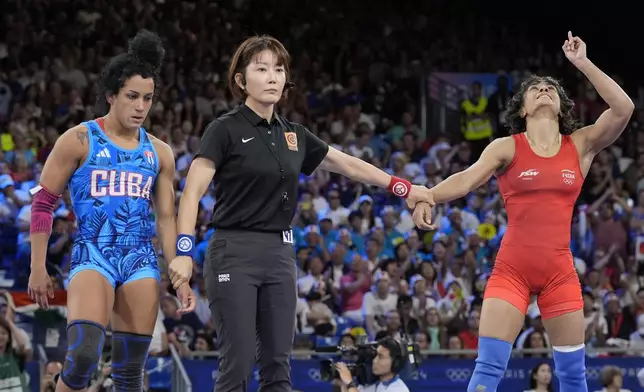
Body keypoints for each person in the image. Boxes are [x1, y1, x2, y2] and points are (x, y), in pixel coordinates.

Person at [171, 35, 433, 392]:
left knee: (278, 365)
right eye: (261, 69)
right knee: (239, 360)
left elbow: (348, 165)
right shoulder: (225, 129)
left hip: (280, 254)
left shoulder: (294, 134)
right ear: (240, 80)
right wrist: (184, 252)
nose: (273, 77)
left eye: (279, 69)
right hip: (233, 251)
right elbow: (191, 194)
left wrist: (401, 187)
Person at [413, 32, 634, 392]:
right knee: (486, 374)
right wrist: (429, 196)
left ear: (562, 107)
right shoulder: (506, 147)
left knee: (574, 378)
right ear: (522, 108)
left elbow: (624, 109)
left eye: (551, 88)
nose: (544, 89)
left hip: (559, 274)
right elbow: (467, 180)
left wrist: (582, 64)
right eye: (535, 88)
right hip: (511, 272)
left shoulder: (580, 145)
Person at [27, 29, 196, 392]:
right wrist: (37, 267)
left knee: (130, 372)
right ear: (111, 96)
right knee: (84, 355)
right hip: (93, 251)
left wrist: (179, 275)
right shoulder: (79, 139)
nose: (141, 106)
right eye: (132, 97)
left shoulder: (160, 152)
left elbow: (166, 218)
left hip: (140, 257)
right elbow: (43, 201)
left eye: (148, 98)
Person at [336, 337, 410, 392]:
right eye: (375, 355)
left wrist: (350, 383)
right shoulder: (368, 385)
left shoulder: (399, 389)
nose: (374, 360)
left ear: (395, 363)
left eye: (381, 357)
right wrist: (344, 384)